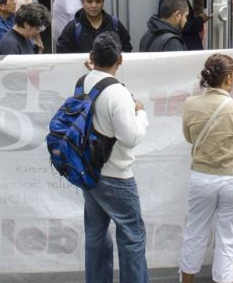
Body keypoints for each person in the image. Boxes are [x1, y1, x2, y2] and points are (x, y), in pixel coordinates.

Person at [179, 53, 233, 283]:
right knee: (229, 238)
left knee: (194, 232)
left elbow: (189, 137)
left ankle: (186, 280)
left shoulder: (190, 104)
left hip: (202, 177)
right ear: (228, 78)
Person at [78, 32, 150, 283]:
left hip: (89, 170)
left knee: (96, 234)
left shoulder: (84, 81)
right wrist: (141, 114)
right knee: (132, 235)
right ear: (120, 59)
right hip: (116, 174)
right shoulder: (117, 93)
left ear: (92, 57)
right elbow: (129, 137)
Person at [56, 0, 133, 53]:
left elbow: (127, 50)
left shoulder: (115, 24)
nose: (94, 5)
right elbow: (62, 54)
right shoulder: (72, 28)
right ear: (82, 2)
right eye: (89, 1)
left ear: (103, 2)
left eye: (98, 1)